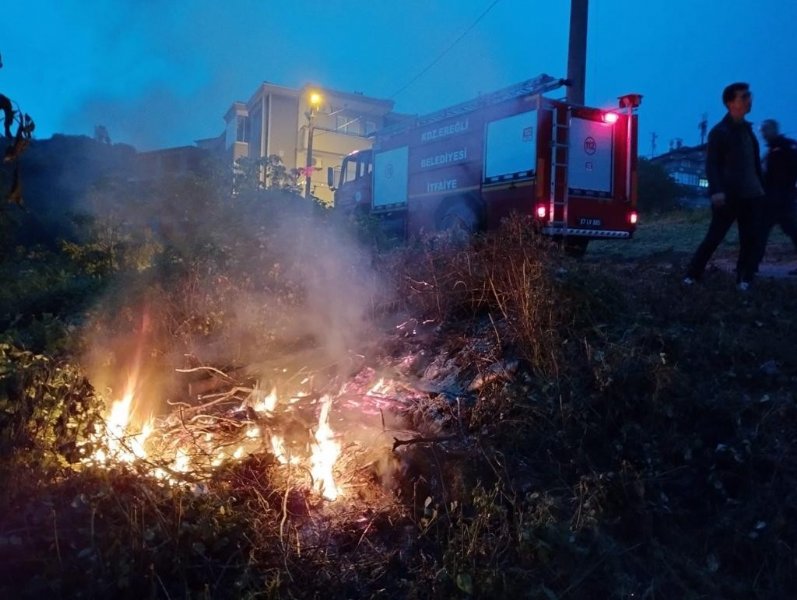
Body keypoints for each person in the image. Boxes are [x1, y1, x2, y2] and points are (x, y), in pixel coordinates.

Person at [684, 82, 764, 291]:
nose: (749, 100)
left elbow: (754, 164)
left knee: (749, 239)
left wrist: (761, 190)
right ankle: (692, 275)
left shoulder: (748, 131)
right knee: (714, 237)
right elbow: (712, 164)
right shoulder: (720, 131)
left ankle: (744, 279)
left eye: (749, 96)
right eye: (744, 96)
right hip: (729, 195)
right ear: (731, 103)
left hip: (751, 195)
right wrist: (717, 190)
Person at [754, 119, 797, 271]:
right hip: (773, 199)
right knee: (761, 232)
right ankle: (752, 265)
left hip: (782, 200)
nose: (763, 134)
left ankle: (751, 265)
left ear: (773, 129)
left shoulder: (786, 147)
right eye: (762, 131)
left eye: (765, 130)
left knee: (765, 231)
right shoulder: (773, 150)